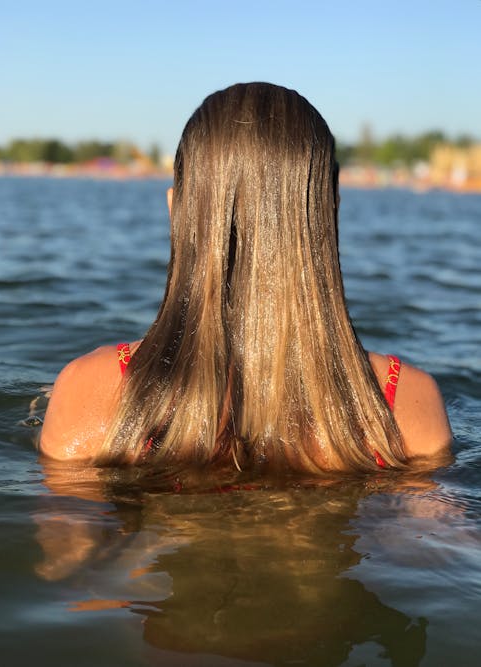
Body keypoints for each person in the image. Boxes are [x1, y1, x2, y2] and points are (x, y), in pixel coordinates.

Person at [40, 82, 452, 473]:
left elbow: (72, 543)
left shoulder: (89, 391)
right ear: (332, 209)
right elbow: (430, 544)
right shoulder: (406, 404)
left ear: (175, 210)